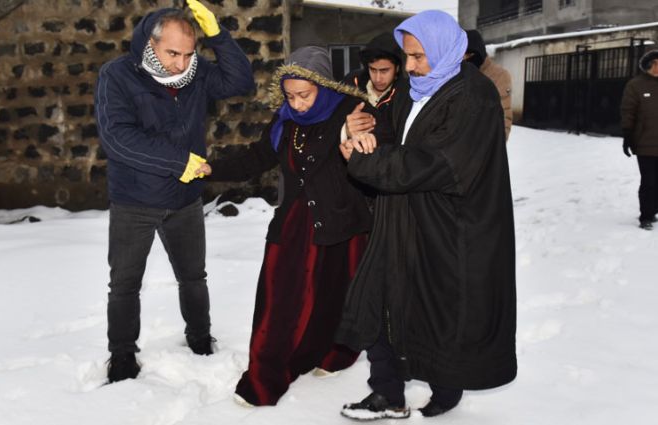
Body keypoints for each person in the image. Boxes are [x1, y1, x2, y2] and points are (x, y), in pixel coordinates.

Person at [336, 11, 517, 420]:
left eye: (419, 56)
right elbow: (393, 136)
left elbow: (436, 162)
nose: (411, 65)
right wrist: (358, 135)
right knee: (381, 302)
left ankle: (446, 388)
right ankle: (388, 392)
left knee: (438, 312)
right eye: (407, 56)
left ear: (444, 49)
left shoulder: (473, 97)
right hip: (398, 217)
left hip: (446, 227)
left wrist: (365, 163)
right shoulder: (412, 88)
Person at [197, 46, 394, 406]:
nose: (298, 104)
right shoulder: (285, 120)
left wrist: (351, 134)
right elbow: (257, 157)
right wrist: (212, 168)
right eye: (290, 96)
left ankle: (334, 354)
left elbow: (378, 144)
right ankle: (264, 379)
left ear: (323, 85)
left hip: (343, 222)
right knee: (279, 300)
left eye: (305, 95)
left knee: (334, 297)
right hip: (294, 222)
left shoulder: (354, 113)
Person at [93, 1, 254, 383]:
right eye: (172, 54)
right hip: (134, 200)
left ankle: (200, 339)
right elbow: (117, 138)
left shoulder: (196, 72)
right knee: (125, 284)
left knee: (193, 277)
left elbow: (241, 82)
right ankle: (122, 355)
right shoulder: (117, 75)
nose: (181, 64)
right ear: (151, 44)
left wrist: (217, 36)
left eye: (188, 53)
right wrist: (178, 161)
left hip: (184, 199)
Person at [620, 49, 658, 230]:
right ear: (648, 66)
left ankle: (654, 209)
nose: (657, 67)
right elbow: (628, 111)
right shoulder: (635, 85)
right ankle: (646, 216)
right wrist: (627, 135)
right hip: (645, 143)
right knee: (649, 181)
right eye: (655, 63)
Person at [343, 32, 405, 120]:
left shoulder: (405, 94)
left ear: (397, 68)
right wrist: (345, 127)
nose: (378, 79)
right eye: (373, 70)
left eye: (384, 71)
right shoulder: (350, 83)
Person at [465, 29, 513, 142]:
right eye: (462, 55)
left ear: (480, 52)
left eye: (469, 54)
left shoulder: (499, 75)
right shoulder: (460, 72)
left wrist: (496, 144)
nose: (465, 59)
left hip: (485, 143)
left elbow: (504, 115)